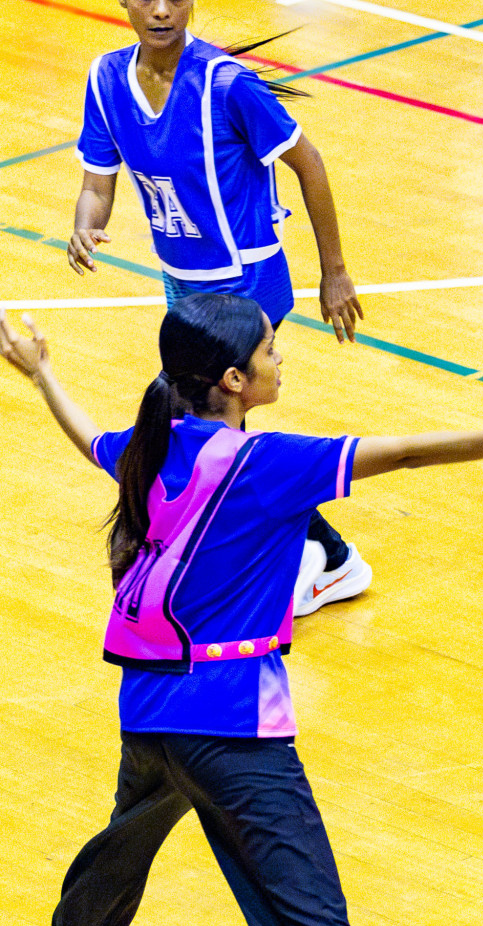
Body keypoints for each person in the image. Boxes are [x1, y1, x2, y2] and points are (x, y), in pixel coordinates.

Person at [1, 295, 483, 926]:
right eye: (271, 348)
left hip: (149, 710)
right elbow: (400, 453)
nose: (282, 357)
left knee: (130, 833)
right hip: (235, 727)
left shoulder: (153, 445)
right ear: (236, 381)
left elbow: (89, 440)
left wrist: (41, 376)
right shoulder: (267, 465)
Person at [67, 0, 370, 617]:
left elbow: (308, 161)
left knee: (200, 430)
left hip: (248, 286)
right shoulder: (106, 79)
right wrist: (84, 226)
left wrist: (334, 271)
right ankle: (315, 555)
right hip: (185, 286)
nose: (160, 9)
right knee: (202, 434)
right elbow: (98, 183)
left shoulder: (227, 85)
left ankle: (330, 558)